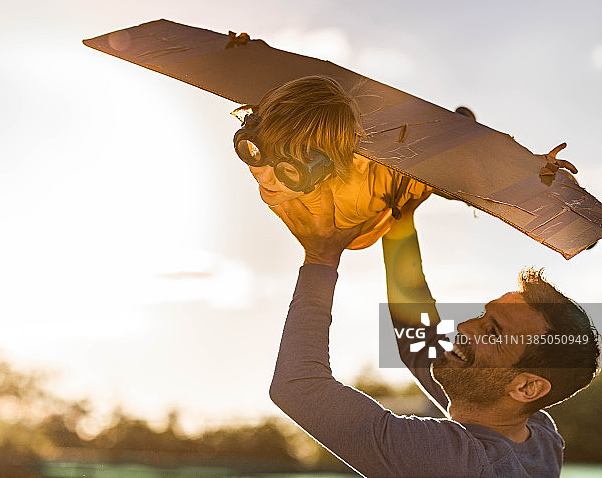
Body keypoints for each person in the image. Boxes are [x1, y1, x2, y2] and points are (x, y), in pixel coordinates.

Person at [268, 189, 600, 477]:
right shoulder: (538, 436)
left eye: (493, 333)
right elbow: (419, 340)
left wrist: (321, 259)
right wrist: (400, 218)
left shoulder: (454, 465)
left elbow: (298, 386)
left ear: (528, 387)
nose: (465, 327)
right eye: (483, 316)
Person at [233, 75, 431, 249]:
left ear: (324, 171)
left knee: (414, 199)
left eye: (289, 171)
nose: (264, 178)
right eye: (254, 152)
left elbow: (436, 167)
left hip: (370, 215)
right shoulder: (281, 185)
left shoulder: (356, 201)